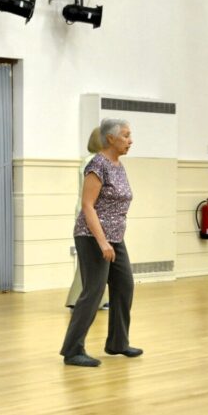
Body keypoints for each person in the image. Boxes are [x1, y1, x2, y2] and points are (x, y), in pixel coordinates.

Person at [60, 118, 139, 367]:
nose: (130, 140)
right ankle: (72, 350)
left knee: (124, 286)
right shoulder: (98, 165)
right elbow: (87, 206)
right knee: (93, 292)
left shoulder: (118, 165)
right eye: (126, 136)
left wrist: (111, 241)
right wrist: (103, 242)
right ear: (110, 139)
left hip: (115, 238)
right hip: (92, 237)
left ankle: (117, 343)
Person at [65, 127, 109, 310]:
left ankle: (81, 299)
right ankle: (85, 300)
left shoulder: (88, 160)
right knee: (95, 260)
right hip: (92, 215)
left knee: (91, 261)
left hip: (88, 213)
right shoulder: (96, 162)